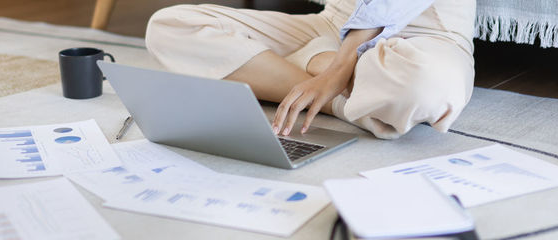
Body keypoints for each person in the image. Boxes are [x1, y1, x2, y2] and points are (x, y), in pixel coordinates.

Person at [145, 0, 475, 139]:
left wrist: (337, 69)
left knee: (424, 87)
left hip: (428, 37)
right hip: (333, 25)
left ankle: (316, 65)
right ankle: (340, 103)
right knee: (171, 25)